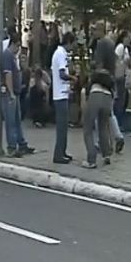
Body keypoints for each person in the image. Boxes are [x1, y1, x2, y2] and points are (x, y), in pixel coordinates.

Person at [93, 22, 125, 153]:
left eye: (95, 30)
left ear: (100, 30)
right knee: (110, 112)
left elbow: (99, 64)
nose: (94, 33)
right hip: (111, 80)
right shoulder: (111, 43)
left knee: (98, 112)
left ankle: (102, 142)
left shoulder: (101, 44)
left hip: (102, 80)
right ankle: (118, 136)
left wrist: (94, 72)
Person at [1, 33, 34, 157]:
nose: (19, 49)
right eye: (18, 46)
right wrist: (11, 92)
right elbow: (8, 75)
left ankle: (21, 144)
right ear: (13, 44)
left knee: (17, 120)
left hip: (15, 92)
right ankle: (12, 147)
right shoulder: (7, 56)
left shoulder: (13, 57)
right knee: (11, 121)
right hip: (10, 93)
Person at [51, 32, 77, 164]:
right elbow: (62, 74)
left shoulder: (62, 54)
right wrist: (72, 78)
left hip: (63, 93)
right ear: (69, 42)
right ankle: (58, 154)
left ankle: (62, 151)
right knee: (62, 126)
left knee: (64, 125)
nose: (73, 47)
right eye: (73, 44)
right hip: (60, 95)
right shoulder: (60, 54)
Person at [82, 69, 115, 169]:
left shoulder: (93, 84)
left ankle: (91, 160)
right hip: (107, 98)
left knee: (87, 129)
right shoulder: (109, 87)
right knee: (103, 127)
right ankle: (106, 155)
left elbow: (85, 94)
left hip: (95, 96)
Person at [114, 30, 131, 129]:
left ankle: (119, 121)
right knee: (120, 99)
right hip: (119, 76)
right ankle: (118, 122)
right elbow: (116, 61)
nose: (129, 40)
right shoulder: (120, 48)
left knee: (123, 99)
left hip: (124, 75)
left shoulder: (125, 49)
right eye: (128, 38)